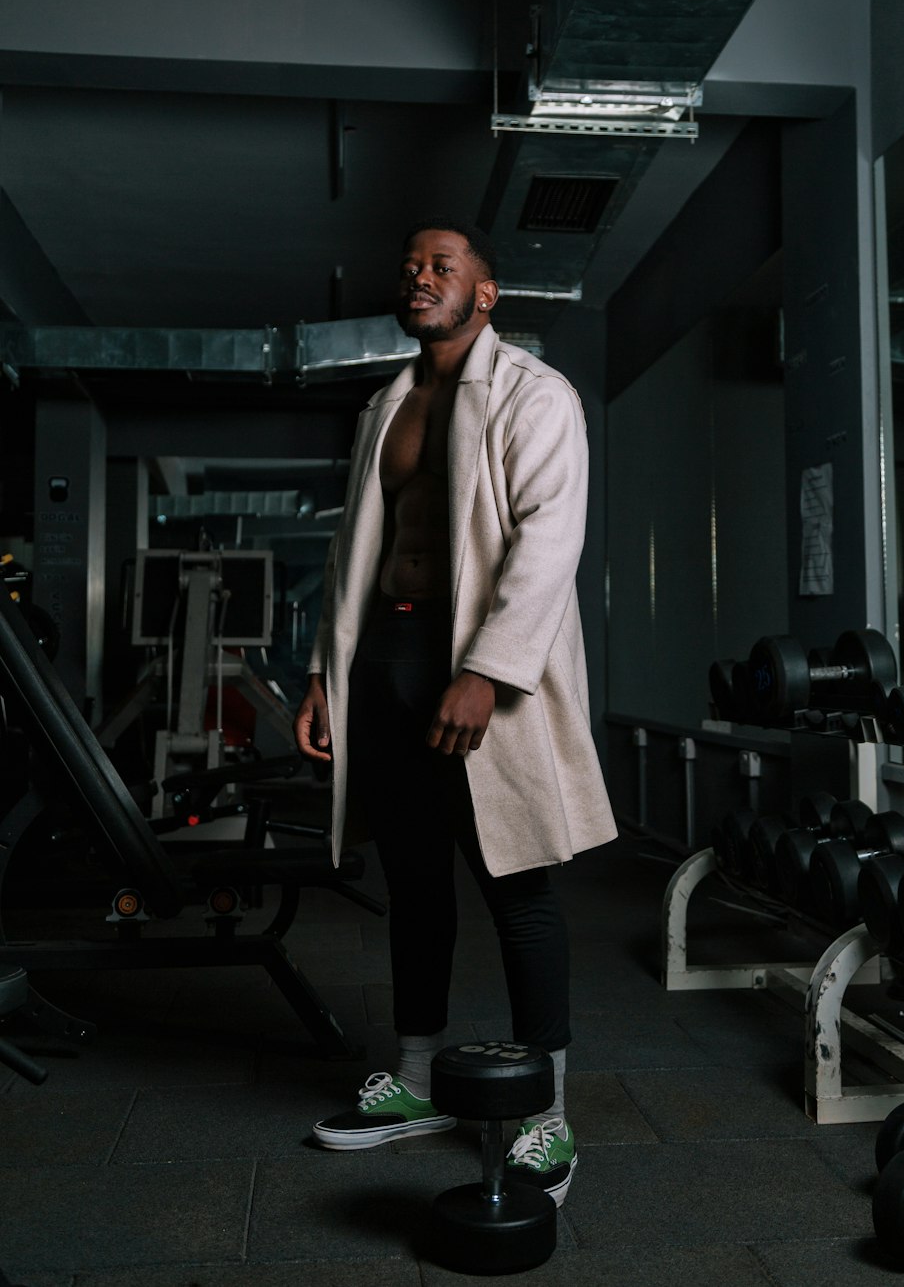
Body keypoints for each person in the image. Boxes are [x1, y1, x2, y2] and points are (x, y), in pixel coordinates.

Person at [294, 218, 616, 1206]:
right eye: (411, 265)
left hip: (474, 661)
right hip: (384, 654)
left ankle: (549, 1119)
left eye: (443, 266)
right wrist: (322, 671)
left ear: (484, 295)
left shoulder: (535, 395)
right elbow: (355, 547)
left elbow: (548, 540)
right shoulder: (385, 407)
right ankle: (422, 1078)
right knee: (414, 879)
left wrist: (486, 669)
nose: (419, 275)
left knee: (516, 883)